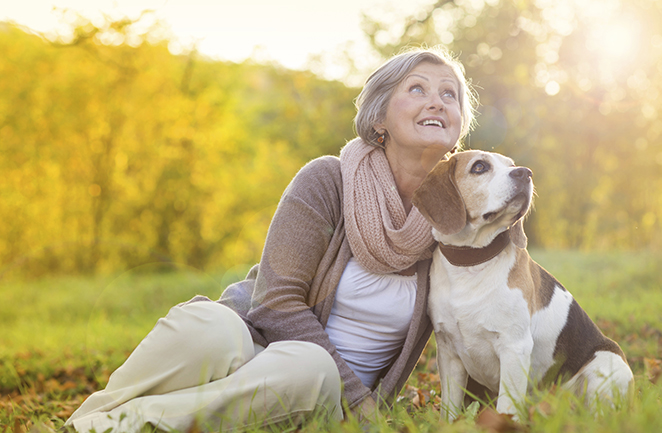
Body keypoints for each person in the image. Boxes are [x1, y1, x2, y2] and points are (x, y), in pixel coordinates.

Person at [65, 45, 478, 432]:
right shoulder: (329, 180)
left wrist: (360, 402)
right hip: (253, 349)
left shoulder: (466, 213)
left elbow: (501, 310)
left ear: (458, 124)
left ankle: (119, 426)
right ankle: (92, 420)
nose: (437, 101)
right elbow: (275, 301)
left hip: (326, 396)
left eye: (449, 94)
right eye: (418, 88)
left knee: (309, 367)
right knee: (207, 324)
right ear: (379, 118)